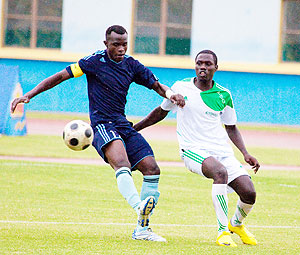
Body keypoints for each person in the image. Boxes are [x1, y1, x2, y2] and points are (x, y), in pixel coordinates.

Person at [11, 25, 185, 242]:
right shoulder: (93, 62)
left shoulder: (132, 65)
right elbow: (60, 77)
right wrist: (30, 94)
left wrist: (171, 94)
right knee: (121, 163)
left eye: (124, 44)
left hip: (122, 123)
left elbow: (156, 85)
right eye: (116, 45)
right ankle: (138, 206)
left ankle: (142, 229)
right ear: (106, 44)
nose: (121, 49)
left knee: (152, 168)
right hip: (102, 124)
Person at [133, 49, 260, 247]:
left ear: (216, 68)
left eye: (208, 64)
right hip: (192, 150)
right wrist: (134, 129)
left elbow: (231, 127)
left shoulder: (224, 94)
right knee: (219, 172)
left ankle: (236, 224)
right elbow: (160, 112)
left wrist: (245, 153)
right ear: (195, 65)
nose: (203, 67)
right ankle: (222, 232)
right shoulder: (180, 88)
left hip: (222, 151)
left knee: (249, 193)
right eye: (199, 63)